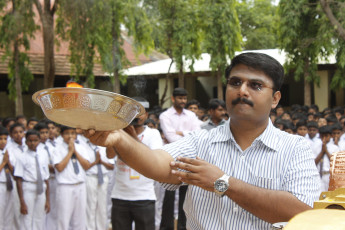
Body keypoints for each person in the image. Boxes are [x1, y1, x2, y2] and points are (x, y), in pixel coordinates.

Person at [85, 52, 320, 229]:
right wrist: (119, 139)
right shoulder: (201, 142)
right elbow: (157, 163)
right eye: (235, 82)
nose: (242, 91)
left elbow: (302, 212)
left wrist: (223, 183)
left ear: (275, 98)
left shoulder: (295, 148)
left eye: (255, 85)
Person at [111, 98, 164, 230]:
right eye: (132, 112)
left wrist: (133, 138)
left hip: (144, 196)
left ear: (146, 115)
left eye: (139, 113)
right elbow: (109, 155)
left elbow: (153, 158)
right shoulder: (119, 132)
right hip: (120, 196)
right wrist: (114, 130)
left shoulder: (153, 133)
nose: (136, 116)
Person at [159, 88, 201, 230]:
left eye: (184, 98)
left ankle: (184, 227)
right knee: (168, 196)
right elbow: (170, 136)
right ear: (173, 98)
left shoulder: (191, 115)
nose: (183, 101)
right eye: (180, 98)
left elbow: (198, 134)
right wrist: (189, 136)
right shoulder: (165, 115)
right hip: (169, 159)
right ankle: (167, 227)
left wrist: (181, 132)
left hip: (188, 159)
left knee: (186, 196)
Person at [52, 126, 93, 230]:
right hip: (65, 186)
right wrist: (70, 152)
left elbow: (87, 166)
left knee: (79, 218)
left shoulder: (81, 147)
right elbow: (59, 168)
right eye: (67, 133)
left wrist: (75, 151)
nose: (70, 136)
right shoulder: (57, 149)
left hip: (80, 185)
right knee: (63, 219)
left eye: (72, 133)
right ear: (61, 135)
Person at [14, 130, 50, 230]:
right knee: (27, 217)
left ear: (39, 141)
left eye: (35, 140)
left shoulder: (43, 154)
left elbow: (46, 177)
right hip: (28, 186)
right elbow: (18, 179)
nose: (33, 143)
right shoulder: (22, 157)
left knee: (40, 217)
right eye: (30, 141)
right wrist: (22, 201)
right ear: (26, 142)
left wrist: (48, 199)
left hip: (41, 187)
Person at [0, 127, 15, 230]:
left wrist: (8, 162)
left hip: (9, 184)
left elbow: (15, 172)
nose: (3, 141)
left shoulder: (9, 152)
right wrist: (4, 162)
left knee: (9, 213)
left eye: (5, 139)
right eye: (0, 139)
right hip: (0, 184)